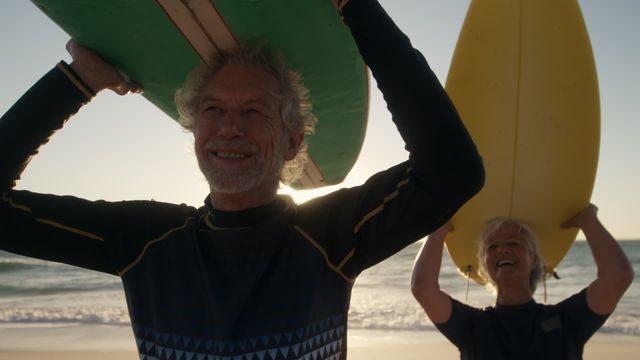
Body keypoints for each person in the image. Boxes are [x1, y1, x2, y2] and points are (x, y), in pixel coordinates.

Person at [1, 0, 484, 359]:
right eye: (213, 109)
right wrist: (76, 81)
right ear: (194, 132)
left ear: (294, 142)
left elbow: (452, 169)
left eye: (254, 111)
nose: (230, 125)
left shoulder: (332, 236)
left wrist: (356, 8)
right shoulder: (146, 241)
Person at [411, 204, 634, 359]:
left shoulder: (566, 321)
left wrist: (588, 220)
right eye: (492, 247)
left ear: (533, 257)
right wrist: (439, 229)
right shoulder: (472, 326)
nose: (503, 250)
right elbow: (423, 289)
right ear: (484, 265)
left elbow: (618, 276)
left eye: (513, 243)